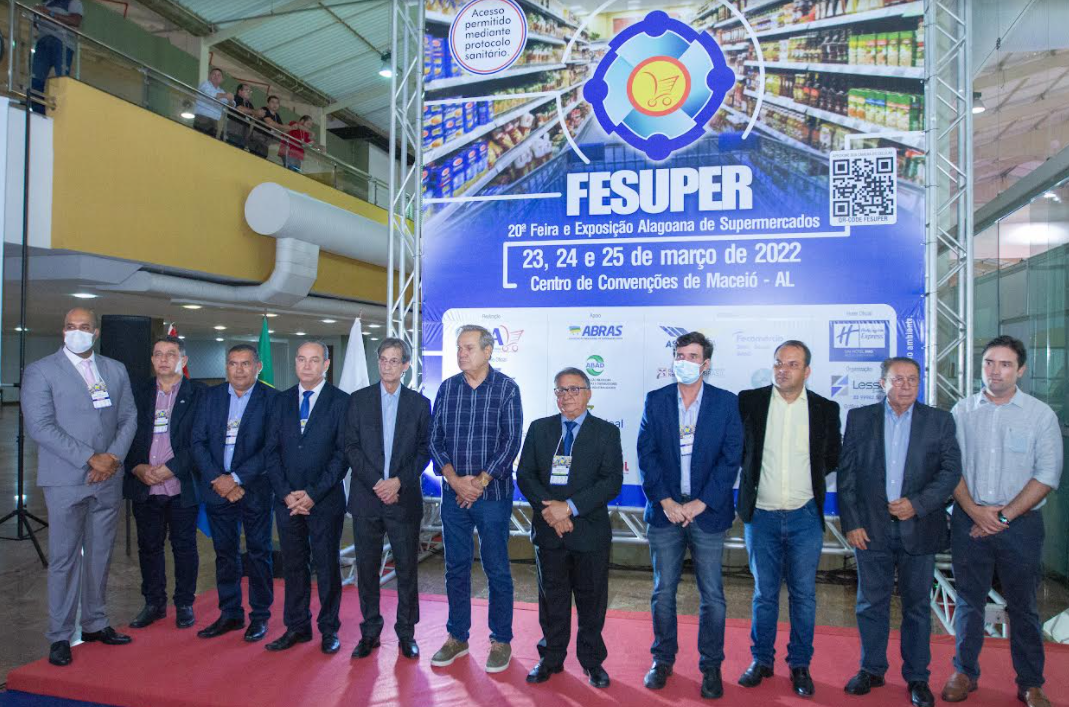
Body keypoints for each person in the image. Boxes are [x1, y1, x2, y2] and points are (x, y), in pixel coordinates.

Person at [941, 336, 1063, 707]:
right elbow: (950, 467)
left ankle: (1030, 683)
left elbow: (1047, 475)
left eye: (1005, 364)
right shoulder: (962, 411)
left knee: (1023, 606)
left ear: (1020, 370)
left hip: (1021, 526)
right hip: (970, 520)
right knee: (968, 602)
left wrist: (1003, 516)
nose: (995, 371)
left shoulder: (1040, 415)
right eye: (989, 363)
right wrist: (975, 511)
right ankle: (965, 672)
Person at [837, 357, 961, 707]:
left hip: (919, 527)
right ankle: (871, 669)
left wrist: (918, 504)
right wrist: (852, 523)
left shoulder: (939, 421)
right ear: (882, 383)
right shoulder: (860, 418)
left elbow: (951, 472)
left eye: (912, 379)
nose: (906, 386)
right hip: (870, 530)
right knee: (870, 603)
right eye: (898, 379)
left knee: (917, 606)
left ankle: (917, 677)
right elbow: (847, 476)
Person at [21, 308, 137, 667]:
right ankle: (59, 634)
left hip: (108, 478)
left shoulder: (115, 370)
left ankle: (95, 622)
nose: (77, 332)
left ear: (95, 333)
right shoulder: (41, 371)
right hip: (65, 479)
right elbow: (41, 426)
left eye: (84, 327)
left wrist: (112, 458)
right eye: (71, 326)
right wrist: (90, 458)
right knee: (64, 558)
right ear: (63, 331)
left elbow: (129, 417)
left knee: (100, 554)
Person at [637, 331, 743, 699]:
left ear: (706, 364)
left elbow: (731, 458)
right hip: (666, 512)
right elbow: (646, 455)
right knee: (663, 591)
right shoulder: (655, 400)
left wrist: (702, 503)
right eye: (680, 355)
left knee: (712, 594)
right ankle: (662, 659)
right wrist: (666, 501)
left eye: (693, 356)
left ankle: (711, 665)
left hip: (707, 514)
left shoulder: (726, 403)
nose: (685, 362)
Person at [736, 340, 841, 696]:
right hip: (761, 517)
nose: (783, 370)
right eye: (779, 363)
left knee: (803, 596)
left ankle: (799, 665)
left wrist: (803, 481)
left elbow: (832, 456)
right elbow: (737, 449)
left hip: (804, 516)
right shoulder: (749, 402)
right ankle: (761, 660)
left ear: (807, 371)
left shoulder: (825, 409)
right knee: (764, 594)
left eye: (793, 364)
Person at [516, 367, 622, 689]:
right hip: (549, 531)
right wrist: (552, 512)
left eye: (574, 389)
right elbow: (525, 475)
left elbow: (611, 481)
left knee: (592, 602)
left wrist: (570, 507)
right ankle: (551, 658)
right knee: (552, 600)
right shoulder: (540, 429)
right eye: (561, 390)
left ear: (588, 394)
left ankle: (592, 661)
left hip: (589, 532)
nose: (567, 396)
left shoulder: (606, 432)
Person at [428, 325, 522, 673]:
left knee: (496, 569)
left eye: (468, 348)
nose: (461, 353)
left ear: (488, 351)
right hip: (454, 496)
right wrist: (455, 481)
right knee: (455, 568)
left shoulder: (507, 388)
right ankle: (457, 636)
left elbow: (511, 442)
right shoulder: (448, 388)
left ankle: (501, 640)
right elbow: (434, 439)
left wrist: (479, 483)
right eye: (459, 348)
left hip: (492, 496)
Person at [346, 338, 431, 660]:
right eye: (383, 359)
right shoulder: (358, 400)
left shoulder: (419, 404)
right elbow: (351, 447)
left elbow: (424, 450)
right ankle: (369, 632)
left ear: (406, 365)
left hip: (403, 499)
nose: (387, 366)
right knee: (367, 569)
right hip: (366, 498)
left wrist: (398, 482)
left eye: (395, 360)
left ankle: (406, 633)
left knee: (407, 569)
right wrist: (377, 483)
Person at [263, 341, 349, 655]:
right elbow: (270, 452)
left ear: (326, 364)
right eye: (301, 359)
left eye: (314, 360)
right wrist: (286, 493)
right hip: (287, 502)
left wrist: (313, 494)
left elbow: (342, 456)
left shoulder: (341, 401)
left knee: (326, 566)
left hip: (324, 501)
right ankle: (297, 626)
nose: (307, 365)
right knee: (294, 565)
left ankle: (329, 629)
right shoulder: (280, 400)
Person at [191, 344, 277, 642]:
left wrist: (237, 479)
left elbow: (271, 447)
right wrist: (219, 479)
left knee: (258, 553)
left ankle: (260, 616)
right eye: (232, 363)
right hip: (217, 489)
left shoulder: (273, 399)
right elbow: (197, 441)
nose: (238, 370)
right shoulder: (210, 397)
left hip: (255, 490)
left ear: (258, 367)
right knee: (225, 553)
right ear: (226, 367)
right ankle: (230, 613)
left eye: (245, 364)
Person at [123, 335, 204, 630]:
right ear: (152, 360)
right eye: (158, 354)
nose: (164, 359)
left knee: (184, 547)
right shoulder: (137, 392)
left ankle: (184, 603)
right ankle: (154, 603)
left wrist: (171, 468)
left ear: (183, 360)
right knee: (149, 547)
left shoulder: (199, 394)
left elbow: (201, 440)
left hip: (181, 484)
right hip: (145, 484)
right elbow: (124, 433)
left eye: (171, 354)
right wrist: (136, 466)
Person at [30, 0, 83, 114]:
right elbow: (38, 24)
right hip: (43, 42)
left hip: (62, 42)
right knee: (35, 80)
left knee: (62, 80)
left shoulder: (73, 2)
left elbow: (76, 20)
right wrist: (36, 15)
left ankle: (62, 113)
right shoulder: (46, 2)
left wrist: (49, 13)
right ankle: (38, 113)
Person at [193, 67, 233, 138]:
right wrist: (225, 96)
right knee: (198, 139)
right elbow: (210, 94)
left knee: (209, 142)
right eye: (214, 74)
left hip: (214, 122)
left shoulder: (221, 91)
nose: (216, 77)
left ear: (222, 79)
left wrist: (230, 99)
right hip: (202, 118)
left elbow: (231, 105)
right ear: (209, 76)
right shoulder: (205, 84)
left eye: (219, 75)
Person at [249, 95, 284, 159]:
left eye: (277, 103)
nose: (275, 104)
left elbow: (281, 128)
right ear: (268, 103)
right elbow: (270, 123)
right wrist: (278, 126)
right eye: (272, 102)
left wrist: (283, 127)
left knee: (263, 157)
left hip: (265, 143)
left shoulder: (277, 116)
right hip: (256, 140)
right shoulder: (264, 110)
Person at [225, 83, 257, 150]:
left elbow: (253, 117)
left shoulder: (249, 104)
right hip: (233, 131)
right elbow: (240, 109)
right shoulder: (235, 98)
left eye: (250, 91)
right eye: (247, 90)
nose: (249, 92)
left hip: (244, 134)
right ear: (240, 91)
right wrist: (254, 112)